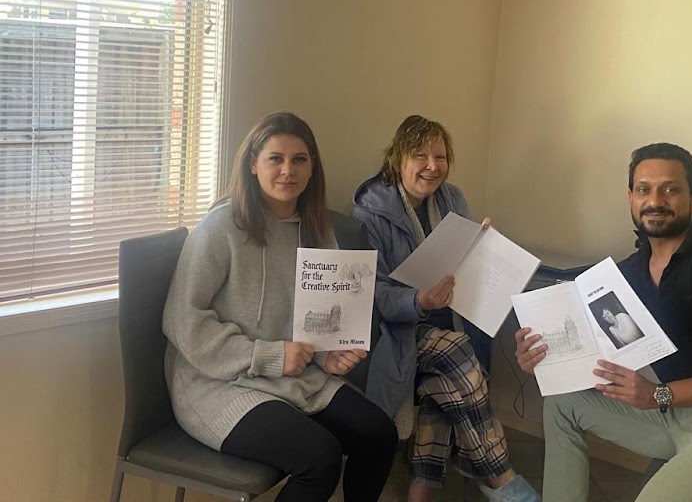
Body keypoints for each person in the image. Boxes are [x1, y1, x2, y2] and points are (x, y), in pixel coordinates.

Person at [514, 142, 692, 501]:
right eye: (643, 189)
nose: (655, 200)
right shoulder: (625, 276)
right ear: (631, 198)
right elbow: (594, 358)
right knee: (562, 404)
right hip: (674, 413)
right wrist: (542, 359)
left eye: (670, 189)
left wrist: (658, 394)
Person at [162, 112, 397, 502]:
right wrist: (270, 356)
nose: (288, 171)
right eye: (276, 159)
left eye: (299, 159)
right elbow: (183, 322)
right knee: (318, 458)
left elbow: (318, 323)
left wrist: (326, 355)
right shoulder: (220, 229)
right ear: (253, 164)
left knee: (380, 435)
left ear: (312, 167)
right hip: (217, 383)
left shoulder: (318, 230)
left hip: (293, 377)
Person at [352, 115, 541, 502]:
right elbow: (371, 294)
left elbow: (466, 267)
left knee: (446, 383)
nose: (432, 166)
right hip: (398, 332)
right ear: (397, 158)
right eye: (420, 156)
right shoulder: (370, 212)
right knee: (457, 351)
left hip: (452, 324)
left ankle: (419, 494)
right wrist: (419, 300)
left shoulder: (452, 199)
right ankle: (499, 476)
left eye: (440, 157)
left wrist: (484, 248)